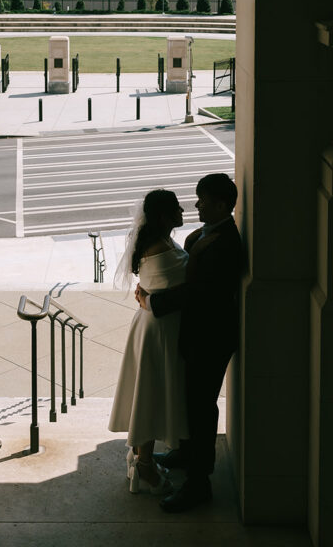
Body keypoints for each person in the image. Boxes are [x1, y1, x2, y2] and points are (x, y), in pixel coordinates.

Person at [137, 172, 243, 513]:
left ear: (221, 204)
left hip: (211, 338)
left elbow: (199, 293)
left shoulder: (226, 243)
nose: (196, 204)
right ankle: (185, 453)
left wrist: (152, 303)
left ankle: (200, 484)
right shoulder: (207, 234)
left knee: (201, 408)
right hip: (196, 334)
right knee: (190, 399)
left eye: (203, 199)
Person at [108, 188, 188, 494]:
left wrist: (146, 297)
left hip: (150, 325)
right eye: (178, 209)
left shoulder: (157, 242)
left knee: (147, 395)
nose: (184, 211)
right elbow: (191, 283)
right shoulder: (164, 252)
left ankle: (141, 458)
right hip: (160, 331)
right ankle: (144, 466)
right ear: (165, 215)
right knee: (152, 398)